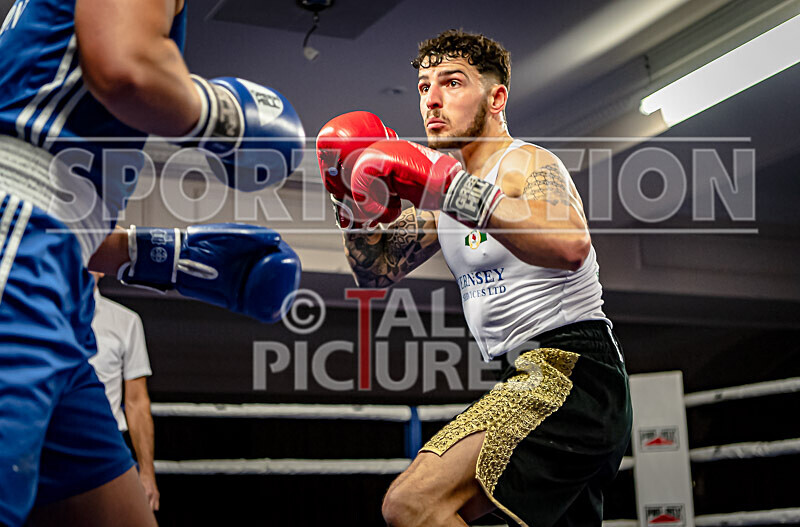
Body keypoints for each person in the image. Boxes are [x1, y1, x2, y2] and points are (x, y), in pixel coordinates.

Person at [0, 0, 303, 525]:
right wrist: (224, 115)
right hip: (20, 254)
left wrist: (164, 257)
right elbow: (125, 68)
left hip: (49, 265)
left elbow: (53, 197)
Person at [317, 29, 632, 526]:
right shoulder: (443, 200)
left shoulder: (526, 163)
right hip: (530, 373)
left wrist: (450, 188)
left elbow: (571, 245)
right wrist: (347, 199)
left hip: (573, 372)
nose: (433, 100)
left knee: (411, 503)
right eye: (423, 87)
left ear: (496, 97)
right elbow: (375, 271)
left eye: (452, 82)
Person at [89, 272, 159, 512]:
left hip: (107, 443)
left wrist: (147, 472)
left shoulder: (124, 321)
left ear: (100, 268)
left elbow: (137, 402)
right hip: (48, 441)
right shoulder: (39, 318)